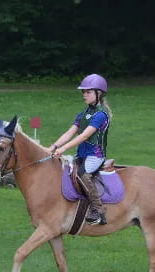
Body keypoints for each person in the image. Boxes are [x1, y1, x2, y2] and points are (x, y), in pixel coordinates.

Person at [50, 74, 112, 225]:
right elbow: (69, 133)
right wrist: (53, 147)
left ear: (99, 94)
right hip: (81, 155)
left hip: (95, 156)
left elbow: (84, 136)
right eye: (83, 92)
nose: (84, 95)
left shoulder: (101, 115)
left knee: (82, 174)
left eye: (88, 92)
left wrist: (63, 148)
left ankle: (98, 211)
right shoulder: (82, 115)